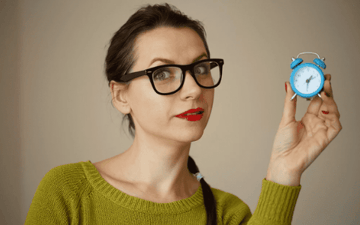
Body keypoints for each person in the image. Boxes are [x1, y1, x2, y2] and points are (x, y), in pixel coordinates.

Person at [25, 3, 342, 225]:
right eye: (163, 73)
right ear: (121, 96)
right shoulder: (68, 191)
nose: (193, 89)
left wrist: (284, 173)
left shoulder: (228, 214)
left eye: (201, 68)